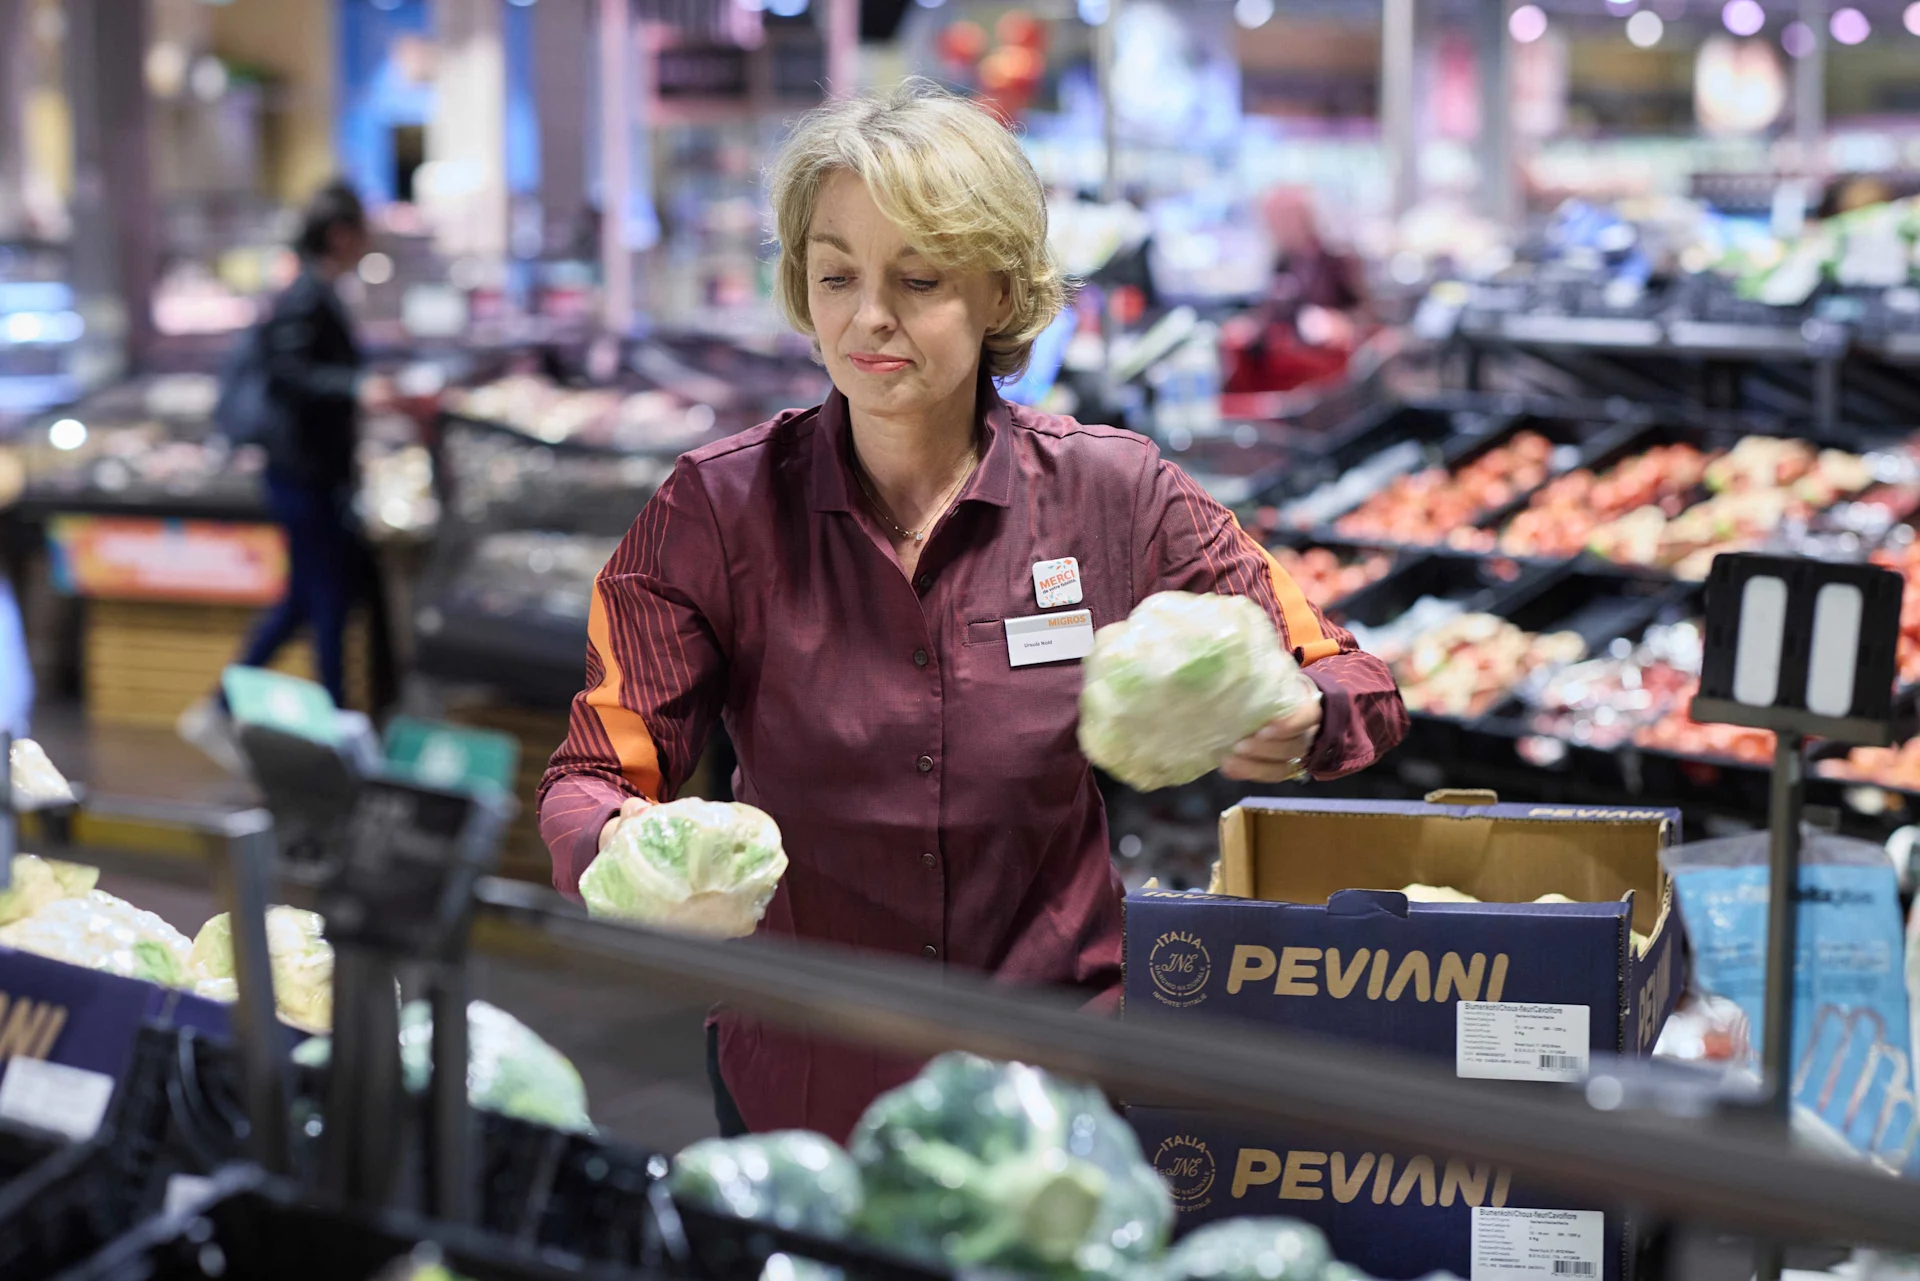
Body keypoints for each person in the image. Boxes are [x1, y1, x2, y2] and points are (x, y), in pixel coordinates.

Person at [537, 83, 1408, 1142]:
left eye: (919, 277)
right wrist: (623, 848)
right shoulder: (715, 511)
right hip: (811, 1086)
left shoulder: (1113, 495)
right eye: (835, 275)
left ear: (1001, 292)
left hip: (1059, 1085)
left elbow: (1351, 678)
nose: (870, 317)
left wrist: (1303, 717)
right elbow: (590, 778)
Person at [180, 181, 386, 768]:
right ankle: (335, 742)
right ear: (342, 234)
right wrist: (357, 387)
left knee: (307, 598)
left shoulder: (311, 289)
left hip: (307, 471)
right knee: (324, 601)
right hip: (303, 472)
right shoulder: (305, 293)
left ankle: (220, 706)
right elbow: (290, 374)